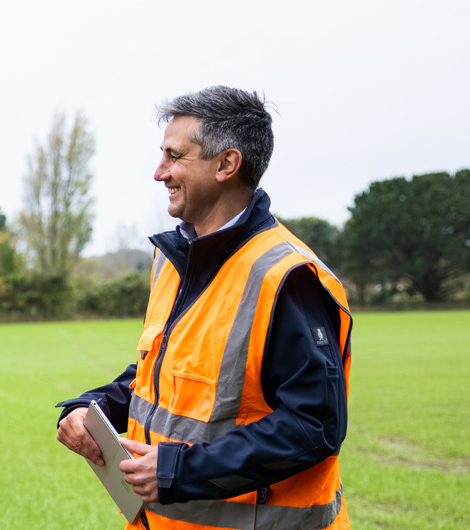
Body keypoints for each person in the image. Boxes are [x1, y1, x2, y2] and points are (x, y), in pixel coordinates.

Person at [54, 86, 354, 529]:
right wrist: (90, 408)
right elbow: (159, 376)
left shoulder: (286, 277)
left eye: (175, 157)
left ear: (226, 165)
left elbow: (314, 426)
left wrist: (179, 471)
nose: (160, 173)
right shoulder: (173, 259)